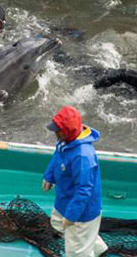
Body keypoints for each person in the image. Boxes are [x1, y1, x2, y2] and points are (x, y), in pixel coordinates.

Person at [42, 106, 108, 257]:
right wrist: (49, 176)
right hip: (65, 198)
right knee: (57, 222)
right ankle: (98, 249)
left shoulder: (83, 156)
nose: (54, 132)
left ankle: (85, 248)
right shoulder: (65, 142)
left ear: (68, 130)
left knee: (76, 251)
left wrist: (72, 215)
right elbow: (57, 155)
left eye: (57, 130)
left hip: (82, 210)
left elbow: (84, 189)